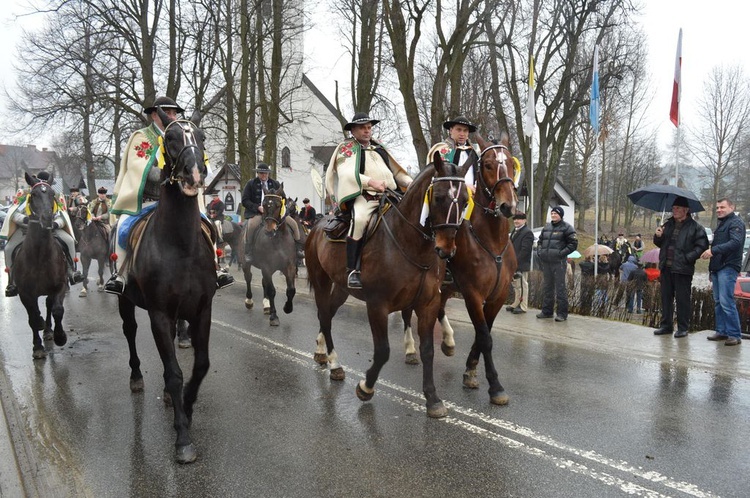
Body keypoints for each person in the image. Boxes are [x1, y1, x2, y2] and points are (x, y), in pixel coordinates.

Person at [104, 96, 234, 294]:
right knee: (122, 228)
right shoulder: (142, 137)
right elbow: (138, 166)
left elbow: (199, 158)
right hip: (148, 201)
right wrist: (166, 173)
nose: (172, 116)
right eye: (168, 112)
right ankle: (120, 275)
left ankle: (216, 269)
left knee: (208, 227)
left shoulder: (184, 135)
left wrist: (196, 170)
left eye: (174, 112)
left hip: (180, 202)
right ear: (155, 114)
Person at [325, 111, 413, 289]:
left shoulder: (378, 147)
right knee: (359, 220)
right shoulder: (347, 148)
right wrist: (370, 182)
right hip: (366, 197)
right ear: (353, 131)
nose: (367, 131)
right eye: (362, 128)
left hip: (390, 196)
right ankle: (353, 270)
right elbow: (346, 173)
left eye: (369, 127)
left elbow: (396, 172)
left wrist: (411, 183)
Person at [2, 171, 83, 296]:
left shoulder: (56, 194)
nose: (43, 185)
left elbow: (63, 214)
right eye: (40, 182)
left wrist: (57, 224)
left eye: (46, 183)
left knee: (69, 241)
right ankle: (12, 282)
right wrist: (24, 220)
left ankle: (72, 272)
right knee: (8, 248)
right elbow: (13, 212)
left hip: (52, 229)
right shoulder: (23, 194)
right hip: (26, 229)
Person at [652, 196, 709, 338]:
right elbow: (661, 244)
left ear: (686, 210)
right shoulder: (668, 224)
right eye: (673, 208)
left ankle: (683, 328)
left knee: (682, 299)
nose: (674, 210)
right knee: (666, 298)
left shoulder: (696, 228)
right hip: (666, 267)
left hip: (683, 269)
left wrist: (687, 258)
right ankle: (666, 325)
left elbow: (702, 246)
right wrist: (658, 236)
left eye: (677, 208)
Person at [700, 198, 746, 346]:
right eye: (717, 207)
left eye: (722, 207)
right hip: (718, 267)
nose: (719, 210)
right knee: (719, 302)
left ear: (732, 207)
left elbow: (736, 242)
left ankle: (734, 334)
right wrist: (711, 269)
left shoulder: (736, 223)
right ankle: (722, 331)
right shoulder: (722, 224)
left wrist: (713, 250)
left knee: (726, 301)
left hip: (728, 266)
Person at [241, 163, 304, 263]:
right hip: (257, 213)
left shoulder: (275, 183)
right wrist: (257, 207)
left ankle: (298, 249)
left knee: (293, 224)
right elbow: (245, 200)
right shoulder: (250, 184)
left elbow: (284, 199)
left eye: (265, 173)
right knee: (251, 226)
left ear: (268, 173)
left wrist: (282, 210)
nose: (264, 175)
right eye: (261, 173)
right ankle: (249, 252)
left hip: (274, 213)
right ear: (257, 173)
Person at [535, 206, 578, 321]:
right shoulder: (547, 227)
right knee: (547, 287)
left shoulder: (567, 228)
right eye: (552, 213)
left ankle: (562, 314)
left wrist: (561, 253)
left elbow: (573, 244)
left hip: (559, 262)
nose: (553, 215)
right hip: (546, 262)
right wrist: (540, 252)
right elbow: (540, 241)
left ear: (561, 215)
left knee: (560, 288)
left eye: (556, 213)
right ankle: (547, 311)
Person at [426, 115, 479, 182]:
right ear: (451, 131)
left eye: (465, 131)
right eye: (458, 130)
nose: (462, 134)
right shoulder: (441, 150)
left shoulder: (476, 151)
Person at [506, 212, 534, 314]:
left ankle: (523, 306)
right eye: (515, 219)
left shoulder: (527, 232)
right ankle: (516, 302)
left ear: (525, 220)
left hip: (521, 264)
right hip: (513, 264)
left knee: (522, 285)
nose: (516, 221)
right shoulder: (515, 231)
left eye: (519, 219)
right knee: (516, 286)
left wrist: (515, 262)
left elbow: (525, 251)